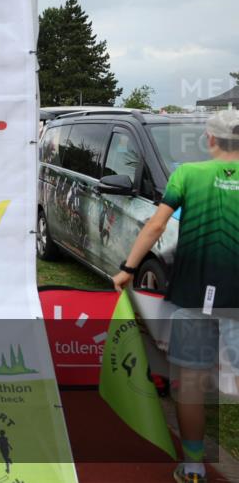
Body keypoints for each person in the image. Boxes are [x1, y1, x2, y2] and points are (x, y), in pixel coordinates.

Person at [113, 110, 239, 483]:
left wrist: (129, 269)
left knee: (191, 383)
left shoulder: (187, 174)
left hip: (194, 295)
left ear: (209, 139)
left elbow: (155, 225)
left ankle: (195, 465)